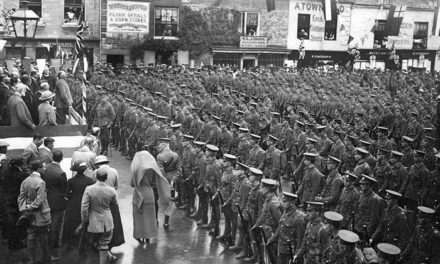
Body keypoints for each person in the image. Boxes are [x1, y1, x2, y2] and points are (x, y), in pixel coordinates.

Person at [17, 159, 58, 263]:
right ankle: (46, 257)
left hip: (29, 214)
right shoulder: (41, 182)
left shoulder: (25, 181)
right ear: (39, 169)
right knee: (43, 236)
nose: (45, 168)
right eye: (43, 167)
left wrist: (24, 210)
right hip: (41, 214)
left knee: (31, 234)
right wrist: (32, 206)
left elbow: (20, 198)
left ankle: (32, 259)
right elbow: (40, 199)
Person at [131, 151, 173, 244]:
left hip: (138, 194)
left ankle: (139, 235)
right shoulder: (152, 169)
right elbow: (155, 182)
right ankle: (148, 237)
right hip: (149, 194)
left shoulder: (135, 169)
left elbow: (132, 184)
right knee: (149, 217)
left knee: (138, 217)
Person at [81, 169, 118, 264]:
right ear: (106, 178)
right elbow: (114, 204)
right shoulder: (112, 190)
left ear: (96, 177)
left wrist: (85, 220)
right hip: (107, 220)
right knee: (105, 243)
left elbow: (84, 207)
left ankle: (108, 257)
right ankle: (108, 258)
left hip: (93, 221)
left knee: (91, 238)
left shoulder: (89, 189)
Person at [92, 155, 125, 249]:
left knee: (100, 221)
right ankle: (114, 241)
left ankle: (101, 243)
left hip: (99, 199)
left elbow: (93, 184)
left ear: (98, 164)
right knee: (114, 219)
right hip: (112, 199)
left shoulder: (96, 172)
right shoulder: (114, 171)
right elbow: (116, 186)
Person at [63, 161, 95, 249]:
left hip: (73, 204)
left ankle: (72, 241)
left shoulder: (71, 181)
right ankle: (84, 241)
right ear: (84, 170)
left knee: (72, 223)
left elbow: (66, 195)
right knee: (84, 222)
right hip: (85, 203)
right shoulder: (90, 180)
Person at [268, 192, 305, 264]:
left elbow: (300, 239)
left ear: (292, 202)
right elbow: (280, 229)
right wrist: (272, 239)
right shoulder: (285, 212)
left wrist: (297, 255)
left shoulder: (298, 218)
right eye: (282, 201)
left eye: (285, 201)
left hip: (290, 251)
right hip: (282, 248)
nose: (282, 203)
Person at [41, 150, 67, 257]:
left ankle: (49, 241)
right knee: (57, 223)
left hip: (48, 199)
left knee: (49, 222)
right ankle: (54, 243)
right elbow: (64, 189)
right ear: (61, 158)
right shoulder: (61, 173)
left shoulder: (46, 169)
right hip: (58, 202)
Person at [0, 155, 28, 250]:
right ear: (19, 164)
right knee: (16, 222)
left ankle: (12, 242)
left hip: (6, 199)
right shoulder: (19, 174)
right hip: (15, 200)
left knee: (10, 222)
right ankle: (16, 243)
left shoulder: (6, 172)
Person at [217, 154, 238, 247]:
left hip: (229, 201)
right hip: (224, 199)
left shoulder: (233, 175)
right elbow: (222, 185)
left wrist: (228, 201)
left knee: (232, 220)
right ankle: (226, 234)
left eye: (225, 161)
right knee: (226, 219)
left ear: (230, 163)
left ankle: (231, 239)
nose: (223, 162)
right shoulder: (225, 172)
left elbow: (234, 191)